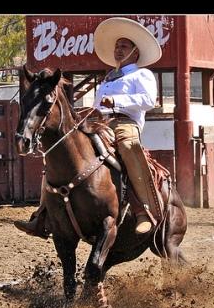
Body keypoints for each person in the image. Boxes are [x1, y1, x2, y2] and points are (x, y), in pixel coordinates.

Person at [14, 17, 162, 236]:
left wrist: (117, 102)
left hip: (125, 123)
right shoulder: (109, 78)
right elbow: (97, 105)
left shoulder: (142, 74)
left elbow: (149, 100)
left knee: (130, 147)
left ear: (135, 52)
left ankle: (144, 211)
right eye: (117, 46)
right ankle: (42, 214)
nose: (118, 50)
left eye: (124, 46)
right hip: (98, 122)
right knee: (61, 152)